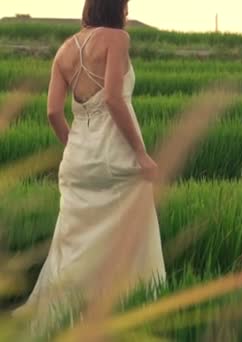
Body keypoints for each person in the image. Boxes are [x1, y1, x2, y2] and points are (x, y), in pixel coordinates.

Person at [12, 0, 166, 327]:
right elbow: (112, 98)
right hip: (114, 154)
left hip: (79, 158)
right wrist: (141, 153)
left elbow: (53, 112)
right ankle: (127, 304)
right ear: (113, 8)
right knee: (134, 224)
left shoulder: (64, 50)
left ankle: (65, 311)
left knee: (73, 238)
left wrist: (76, 145)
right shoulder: (116, 39)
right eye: (124, 7)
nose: (126, 13)